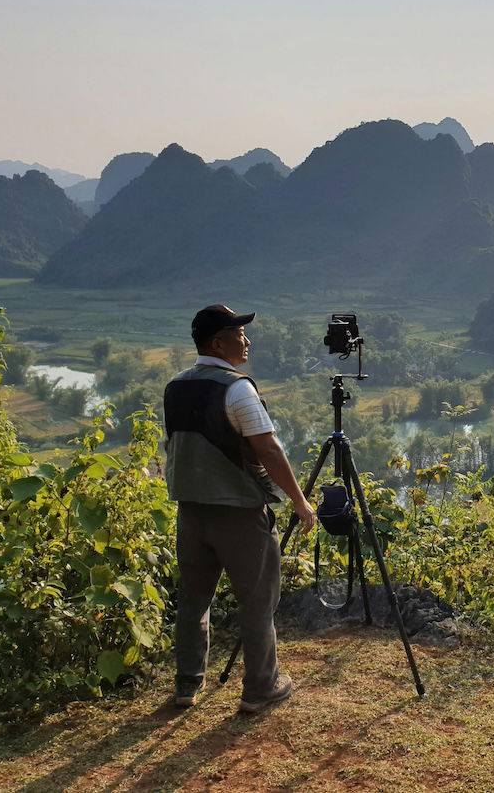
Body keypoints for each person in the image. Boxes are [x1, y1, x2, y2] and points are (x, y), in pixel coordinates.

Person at [163, 304, 315, 712]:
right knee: (258, 600)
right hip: (238, 513)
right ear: (218, 342)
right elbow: (267, 447)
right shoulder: (236, 388)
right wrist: (300, 501)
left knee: (193, 599)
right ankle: (260, 687)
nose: (246, 340)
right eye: (238, 333)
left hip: (191, 512)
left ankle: (186, 685)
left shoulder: (176, 386)